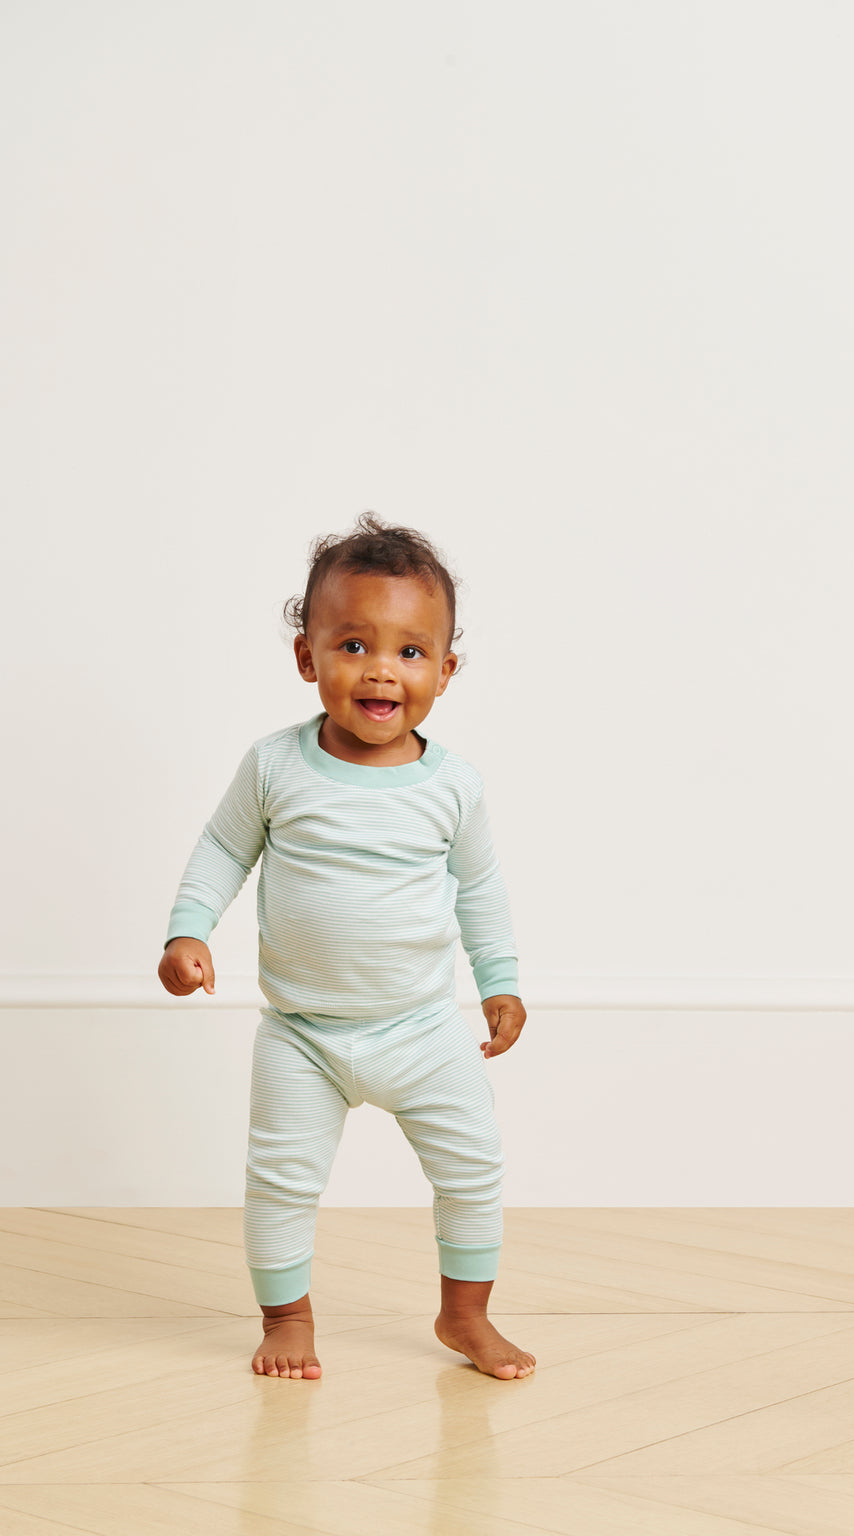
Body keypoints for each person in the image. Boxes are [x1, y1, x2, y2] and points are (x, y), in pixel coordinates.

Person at [157, 513, 534, 1382]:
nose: (381, 669)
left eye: (411, 651)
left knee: (473, 1166)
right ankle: (286, 1318)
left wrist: (501, 982)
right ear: (308, 657)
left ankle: (464, 1314)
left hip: (423, 1028)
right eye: (354, 644)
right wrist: (187, 930)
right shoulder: (275, 767)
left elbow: (480, 889)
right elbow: (222, 850)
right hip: (303, 1035)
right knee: (280, 1181)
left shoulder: (453, 786)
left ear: (446, 670)